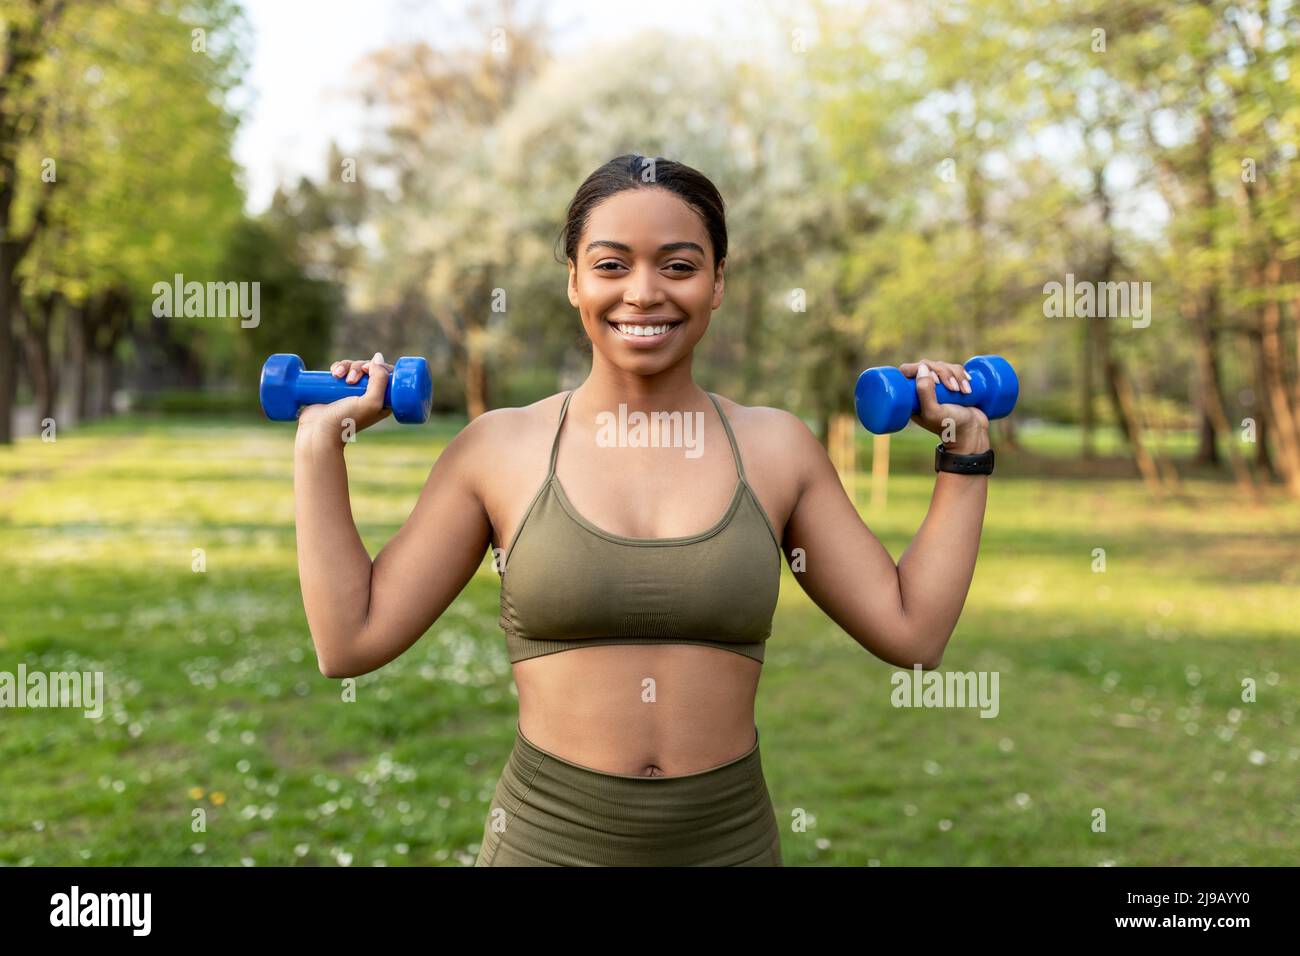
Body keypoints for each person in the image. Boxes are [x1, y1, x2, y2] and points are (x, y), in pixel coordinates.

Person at [293, 153, 991, 866]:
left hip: (731, 848)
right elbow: (351, 642)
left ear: (719, 282)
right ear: (574, 281)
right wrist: (321, 443)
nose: (644, 292)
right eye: (611, 264)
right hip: (545, 846)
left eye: (680, 266)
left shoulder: (778, 448)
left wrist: (965, 451)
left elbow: (912, 634)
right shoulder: (498, 449)